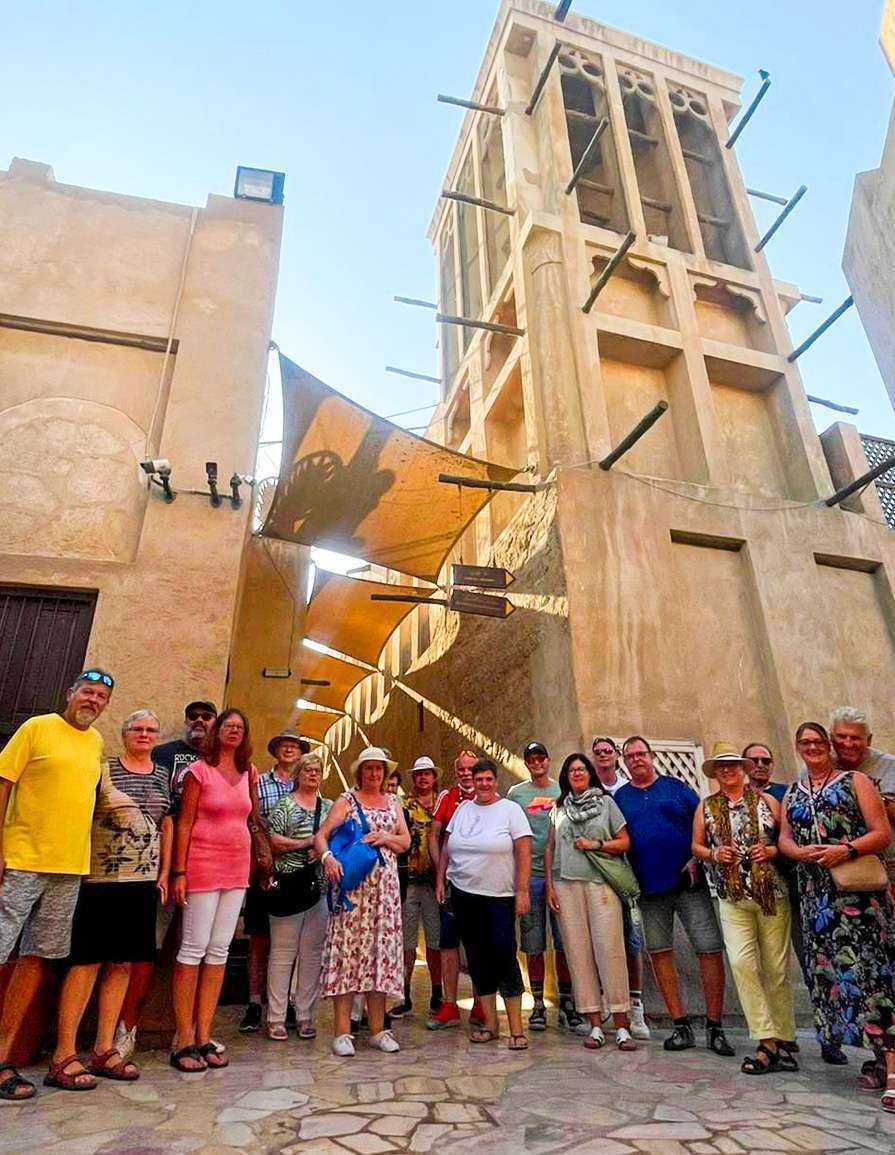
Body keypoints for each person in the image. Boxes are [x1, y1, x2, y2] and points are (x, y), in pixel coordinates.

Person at [0, 668, 112, 1101]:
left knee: (37, 959)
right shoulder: (37, 728)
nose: (94, 701)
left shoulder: (96, 743)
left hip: (68, 869)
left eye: (102, 697)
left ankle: (4, 1057)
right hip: (21, 862)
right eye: (88, 692)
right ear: (71, 693)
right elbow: (4, 784)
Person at [49, 709, 173, 1089]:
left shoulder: (162, 774)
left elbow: (166, 822)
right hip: (100, 880)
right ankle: (64, 1053)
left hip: (143, 882)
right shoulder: (104, 769)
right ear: (124, 734)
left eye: (151, 730)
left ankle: (104, 1048)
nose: (144, 734)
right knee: (86, 962)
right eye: (137, 729)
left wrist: (166, 872)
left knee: (122, 963)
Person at [779, 721, 895, 1109]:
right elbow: (784, 839)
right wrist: (798, 853)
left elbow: (881, 833)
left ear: (828, 745)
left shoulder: (855, 781)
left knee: (876, 975)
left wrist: (844, 850)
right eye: (804, 743)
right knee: (843, 979)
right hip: (817, 899)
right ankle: (878, 1061)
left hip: (858, 897)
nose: (812, 747)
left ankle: (894, 1070)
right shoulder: (794, 790)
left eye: (818, 742)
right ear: (797, 748)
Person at [615, 736, 733, 1057]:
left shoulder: (677, 788)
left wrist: (698, 857)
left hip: (688, 883)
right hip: (649, 890)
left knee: (709, 949)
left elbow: (705, 826)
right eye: (630, 755)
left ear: (651, 757)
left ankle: (715, 1026)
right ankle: (680, 1024)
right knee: (659, 952)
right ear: (624, 762)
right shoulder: (620, 798)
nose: (637, 759)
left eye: (641, 753)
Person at [117, 699, 218, 1059]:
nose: (199, 721)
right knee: (147, 947)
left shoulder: (223, 763)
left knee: (197, 949)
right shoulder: (163, 754)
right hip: (159, 864)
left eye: (207, 717)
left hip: (206, 865)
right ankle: (126, 1028)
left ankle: (189, 1031)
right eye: (193, 716)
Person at [692, 742, 796, 1075]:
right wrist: (712, 854)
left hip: (770, 894)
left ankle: (782, 1039)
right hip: (732, 894)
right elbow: (696, 844)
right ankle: (766, 1039)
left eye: (734, 766)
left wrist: (772, 852)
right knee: (741, 963)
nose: (728, 771)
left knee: (776, 969)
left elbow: (786, 841)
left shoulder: (767, 802)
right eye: (722, 767)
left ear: (743, 769)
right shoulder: (707, 807)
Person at [169, 709, 256, 1072]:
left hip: (236, 869)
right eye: (228, 726)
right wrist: (179, 871)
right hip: (202, 865)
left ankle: (205, 1035)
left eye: (240, 727)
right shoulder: (198, 771)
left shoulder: (250, 772)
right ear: (217, 731)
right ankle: (183, 1040)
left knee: (219, 950)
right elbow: (184, 822)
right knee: (193, 949)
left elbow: (250, 819)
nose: (233, 732)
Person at [315, 747, 410, 1057]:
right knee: (348, 955)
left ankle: (378, 1029)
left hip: (384, 894)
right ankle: (342, 1032)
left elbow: (405, 842)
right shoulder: (347, 800)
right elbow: (322, 836)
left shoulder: (394, 802)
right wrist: (328, 858)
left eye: (379, 769)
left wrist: (384, 838)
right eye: (368, 768)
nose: (374, 774)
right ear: (360, 772)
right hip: (354, 893)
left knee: (379, 957)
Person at [436, 758, 532, 1050]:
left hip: (499, 897)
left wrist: (522, 890)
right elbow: (446, 847)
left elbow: (524, 850)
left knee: (504, 955)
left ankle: (516, 1028)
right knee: (477, 959)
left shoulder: (510, 811)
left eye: (489, 779)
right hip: (465, 895)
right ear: (473, 783)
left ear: (496, 781)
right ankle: (491, 1024)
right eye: (479, 780)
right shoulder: (463, 810)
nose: (484, 784)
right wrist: (441, 880)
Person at [544, 754, 637, 1051]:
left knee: (610, 950)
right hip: (565, 885)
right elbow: (549, 849)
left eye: (581, 769)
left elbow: (624, 841)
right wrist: (549, 886)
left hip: (600, 885)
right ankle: (595, 1023)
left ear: (590, 774)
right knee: (578, 954)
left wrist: (596, 845)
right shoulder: (558, 809)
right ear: (565, 777)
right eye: (571, 770)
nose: (577, 774)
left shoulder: (606, 803)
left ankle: (622, 1024)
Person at [508, 742, 583, 1034]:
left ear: (548, 761)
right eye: (531, 758)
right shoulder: (517, 794)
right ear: (526, 763)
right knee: (533, 942)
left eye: (541, 757)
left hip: (561, 876)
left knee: (564, 942)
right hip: (531, 877)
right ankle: (538, 1002)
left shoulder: (561, 791)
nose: (536, 762)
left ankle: (566, 1001)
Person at [240, 729, 310, 1035]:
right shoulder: (259, 782)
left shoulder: (306, 786)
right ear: (276, 751)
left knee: (290, 943)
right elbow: (253, 820)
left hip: (295, 873)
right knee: (259, 939)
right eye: (284, 746)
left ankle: (285, 1002)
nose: (289, 750)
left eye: (294, 746)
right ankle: (255, 1003)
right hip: (265, 867)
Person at [265, 752, 331, 1040]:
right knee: (282, 953)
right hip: (289, 885)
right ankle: (276, 1017)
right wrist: (308, 842)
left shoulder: (327, 807)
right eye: (307, 770)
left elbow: (337, 837)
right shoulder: (284, 806)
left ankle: (305, 1014)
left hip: (319, 888)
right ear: (298, 774)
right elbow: (273, 842)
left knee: (312, 954)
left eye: (317, 770)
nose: (312, 775)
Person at [590, 737, 649, 1040]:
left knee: (632, 941)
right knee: (600, 942)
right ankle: (604, 1001)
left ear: (617, 757)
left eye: (608, 752)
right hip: (598, 879)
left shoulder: (625, 792)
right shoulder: (588, 795)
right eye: (597, 752)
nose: (603, 756)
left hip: (628, 878)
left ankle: (635, 1006)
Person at [427, 750, 483, 1031]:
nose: (465, 773)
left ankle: (479, 1002)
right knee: (448, 942)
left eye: (469, 768)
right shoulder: (447, 797)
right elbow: (434, 835)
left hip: (480, 883)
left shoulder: (486, 795)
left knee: (477, 941)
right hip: (452, 882)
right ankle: (449, 1003)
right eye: (460, 768)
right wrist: (441, 873)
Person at [390, 756, 442, 1020]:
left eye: (427, 774)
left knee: (435, 941)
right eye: (419, 774)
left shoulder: (443, 804)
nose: (423, 778)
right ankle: (404, 994)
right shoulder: (404, 805)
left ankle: (437, 992)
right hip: (408, 881)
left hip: (435, 883)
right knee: (407, 942)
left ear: (434, 777)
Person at [829, 707, 895, 884]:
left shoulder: (890, 766)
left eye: (855, 737)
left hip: (890, 866)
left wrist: (872, 799)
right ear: (830, 738)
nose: (848, 743)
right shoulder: (818, 768)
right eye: (841, 736)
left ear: (869, 740)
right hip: (840, 873)